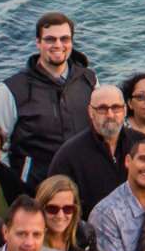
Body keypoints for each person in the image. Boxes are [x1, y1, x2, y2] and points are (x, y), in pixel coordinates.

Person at [0, 12, 96, 194]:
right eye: (50, 39)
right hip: (33, 189)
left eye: (64, 39)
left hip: (82, 185)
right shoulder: (12, 89)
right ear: (38, 43)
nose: (58, 45)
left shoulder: (89, 80)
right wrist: (15, 184)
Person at [47, 83, 132, 215]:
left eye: (116, 108)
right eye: (102, 109)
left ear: (125, 110)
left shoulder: (140, 145)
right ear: (90, 112)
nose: (110, 115)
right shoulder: (68, 156)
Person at [35, 173, 87, 251]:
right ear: (40, 208)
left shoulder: (85, 234)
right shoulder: (31, 243)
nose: (60, 216)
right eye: (52, 209)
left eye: (67, 209)